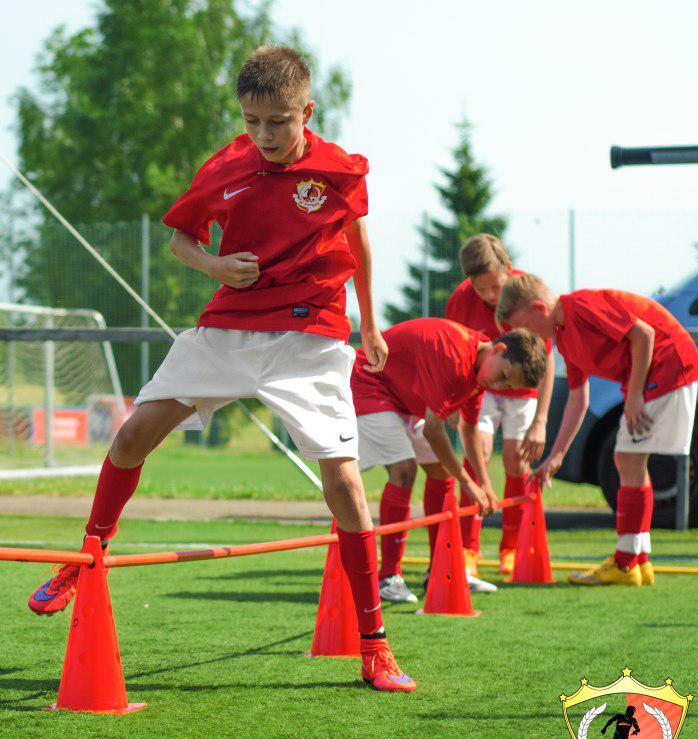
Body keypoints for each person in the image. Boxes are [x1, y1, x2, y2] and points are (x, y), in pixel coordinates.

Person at [27, 45, 415, 692]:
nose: (263, 135)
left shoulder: (341, 170)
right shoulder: (225, 168)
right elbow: (180, 238)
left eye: (278, 121)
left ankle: (374, 645)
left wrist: (370, 324)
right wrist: (213, 267)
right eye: (251, 121)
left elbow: (358, 242)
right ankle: (86, 557)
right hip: (228, 328)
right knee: (130, 436)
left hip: (309, 336)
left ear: (306, 112)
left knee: (346, 488)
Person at [495, 274, 698, 586]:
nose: (529, 338)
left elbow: (644, 335)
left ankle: (626, 563)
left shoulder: (581, 306)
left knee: (628, 458)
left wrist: (634, 395)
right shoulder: (565, 338)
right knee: (630, 460)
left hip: (668, 366)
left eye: (525, 328)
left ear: (539, 308)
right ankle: (638, 560)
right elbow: (578, 400)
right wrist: (556, 457)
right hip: (660, 374)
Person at [352, 319, 548, 602]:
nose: (499, 385)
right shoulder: (454, 356)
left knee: (442, 472)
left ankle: (440, 569)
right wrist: (468, 483)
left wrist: (486, 485)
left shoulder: (480, 371)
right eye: (503, 375)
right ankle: (388, 577)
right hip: (369, 383)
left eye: (507, 385)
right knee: (404, 470)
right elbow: (434, 430)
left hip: (403, 399)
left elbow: (467, 429)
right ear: (498, 349)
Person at [443, 235, 554, 577]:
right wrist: (452, 406)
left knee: (516, 462)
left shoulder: (528, 293)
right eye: (481, 289)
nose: (490, 297)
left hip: (521, 392)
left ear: (508, 269)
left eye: (495, 286)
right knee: (478, 453)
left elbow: (546, 361)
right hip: (482, 389)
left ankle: (511, 547)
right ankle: (467, 549)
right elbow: (454, 354)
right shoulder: (460, 300)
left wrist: (541, 420)